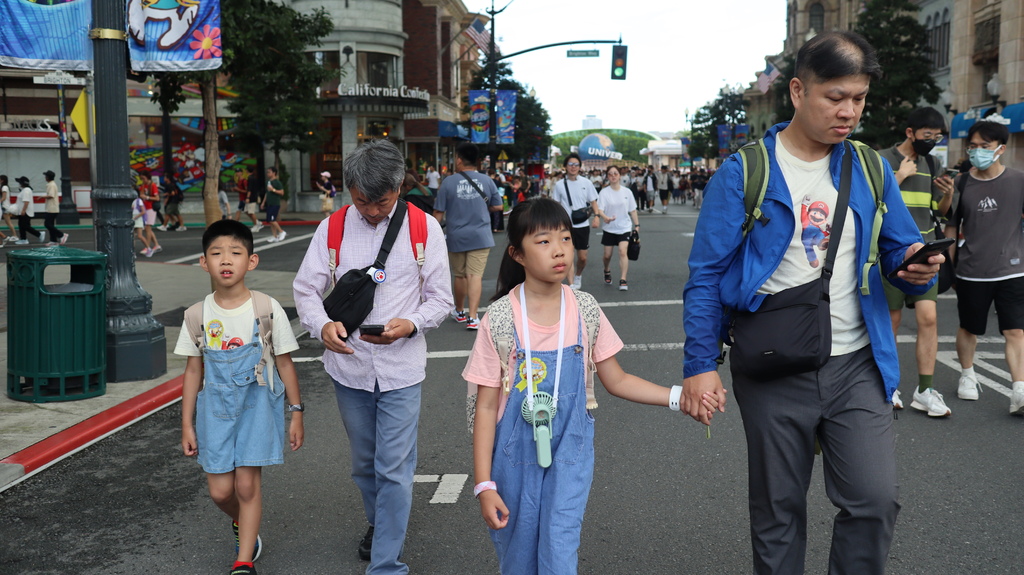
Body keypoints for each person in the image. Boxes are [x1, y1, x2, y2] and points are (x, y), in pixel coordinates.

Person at [682, 31, 941, 575]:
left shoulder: (869, 168)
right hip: (774, 362)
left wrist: (917, 268)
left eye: (860, 98)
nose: (849, 111)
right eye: (835, 97)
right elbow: (706, 276)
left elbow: (898, 251)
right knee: (778, 511)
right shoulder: (745, 172)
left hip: (857, 363)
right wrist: (700, 365)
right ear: (798, 91)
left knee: (874, 500)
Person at [465, 198, 716, 575]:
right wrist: (484, 485)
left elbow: (617, 379)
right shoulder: (500, 318)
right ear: (517, 254)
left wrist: (681, 398)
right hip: (513, 457)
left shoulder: (585, 308)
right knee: (517, 555)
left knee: (560, 546)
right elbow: (485, 407)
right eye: (544, 241)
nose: (560, 250)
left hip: (570, 452)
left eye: (565, 238)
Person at [293, 139, 452, 574]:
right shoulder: (334, 228)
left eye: (381, 202)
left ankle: (385, 564)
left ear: (399, 187)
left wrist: (412, 323)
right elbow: (306, 288)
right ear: (349, 192)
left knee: (395, 467)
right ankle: (382, 524)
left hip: (401, 368)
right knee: (365, 466)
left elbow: (441, 299)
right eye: (362, 201)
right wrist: (320, 325)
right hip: (349, 368)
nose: (372, 211)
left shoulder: (424, 229)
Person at [175, 220, 304, 575]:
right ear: (204, 262)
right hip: (213, 411)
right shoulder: (197, 315)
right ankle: (243, 522)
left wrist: (296, 412)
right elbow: (192, 372)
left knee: (247, 484)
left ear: (252, 261)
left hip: (256, 405)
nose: (226, 260)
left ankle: (243, 561)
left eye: (235, 252)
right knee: (220, 492)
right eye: (216, 253)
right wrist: (186, 425)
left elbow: (285, 362)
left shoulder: (265, 307)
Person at [878, 107, 955, 415]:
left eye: (937, 137)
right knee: (891, 322)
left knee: (929, 319)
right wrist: (900, 176)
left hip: (925, 255)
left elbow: (940, 211)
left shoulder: (933, 162)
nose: (932, 142)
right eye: (927, 136)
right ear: (910, 132)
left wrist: (948, 195)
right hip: (893, 255)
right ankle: (889, 385)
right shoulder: (881, 159)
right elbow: (873, 202)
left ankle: (925, 389)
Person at [945, 118, 1024, 415]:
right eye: (973, 146)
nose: (977, 151)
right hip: (971, 270)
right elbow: (951, 228)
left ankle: (1019, 390)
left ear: (1000, 149)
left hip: (1013, 269)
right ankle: (967, 375)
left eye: (984, 146)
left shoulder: (1019, 180)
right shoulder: (961, 182)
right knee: (969, 327)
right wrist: (950, 267)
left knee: (1016, 330)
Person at [433, 142, 503, 330]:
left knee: (460, 276)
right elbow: (498, 206)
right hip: (481, 236)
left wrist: (432, 235)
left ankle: (460, 311)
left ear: (459, 160)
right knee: (475, 276)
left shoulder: (448, 182)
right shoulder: (487, 181)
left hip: (456, 236)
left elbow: (438, 213)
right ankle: (473, 318)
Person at [551, 153, 599, 290]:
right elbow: (556, 204)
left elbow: (593, 201)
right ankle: (571, 284)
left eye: (576, 164)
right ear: (565, 166)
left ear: (579, 167)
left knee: (582, 258)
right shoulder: (560, 185)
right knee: (568, 256)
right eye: (570, 164)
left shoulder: (586, 183)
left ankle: (578, 275)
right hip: (566, 226)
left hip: (583, 225)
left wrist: (596, 216)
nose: (573, 167)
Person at [597, 165, 639, 291]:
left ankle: (623, 279)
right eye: (610, 174)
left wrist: (637, 226)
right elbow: (600, 210)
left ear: (620, 175)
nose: (613, 176)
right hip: (609, 228)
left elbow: (633, 210)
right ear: (607, 177)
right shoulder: (604, 192)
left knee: (622, 251)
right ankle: (607, 269)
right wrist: (605, 217)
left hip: (624, 227)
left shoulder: (627, 192)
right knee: (607, 255)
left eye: (615, 173)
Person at [137, 171, 162, 254]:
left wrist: (147, 197)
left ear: (147, 177)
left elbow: (157, 198)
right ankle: (156, 244)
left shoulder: (153, 185)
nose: (142, 180)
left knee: (148, 227)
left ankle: (147, 246)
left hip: (151, 208)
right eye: (141, 179)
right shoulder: (143, 186)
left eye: (143, 178)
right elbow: (141, 194)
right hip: (145, 208)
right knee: (148, 228)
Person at [13, 176, 44, 245]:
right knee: (22, 225)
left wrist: (23, 210)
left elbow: (26, 201)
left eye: (20, 182)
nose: (19, 184)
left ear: (22, 183)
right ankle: (23, 239)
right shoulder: (25, 190)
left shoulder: (26, 190)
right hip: (23, 211)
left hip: (25, 212)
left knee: (24, 226)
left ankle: (39, 234)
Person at [41, 170, 68, 246]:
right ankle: (53, 240)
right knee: (51, 224)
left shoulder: (51, 185)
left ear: (48, 177)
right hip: (52, 208)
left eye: (46, 176)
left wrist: (41, 197)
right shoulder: (51, 184)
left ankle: (61, 235)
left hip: (51, 208)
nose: (45, 178)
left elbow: (51, 195)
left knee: (47, 224)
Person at [261, 166, 286, 243]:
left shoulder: (277, 182)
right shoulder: (268, 182)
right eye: (267, 172)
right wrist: (263, 202)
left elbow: (282, 192)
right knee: (270, 220)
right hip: (269, 203)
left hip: (275, 203)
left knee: (272, 220)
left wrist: (273, 190)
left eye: (269, 172)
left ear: (274, 173)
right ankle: (275, 236)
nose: (267, 173)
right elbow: (267, 193)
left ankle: (281, 231)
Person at [131, 188, 152, 255]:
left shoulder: (138, 200)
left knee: (139, 236)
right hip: (133, 218)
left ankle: (148, 248)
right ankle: (132, 252)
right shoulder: (131, 201)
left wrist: (136, 217)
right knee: (132, 237)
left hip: (138, 219)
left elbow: (143, 211)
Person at [1, 175, 16, 246]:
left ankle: (14, 235)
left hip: (4, 207)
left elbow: (3, 198)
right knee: (8, 222)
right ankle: (14, 235)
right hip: (5, 206)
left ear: (2, 180)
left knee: (8, 222)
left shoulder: (4, 187)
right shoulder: (5, 187)